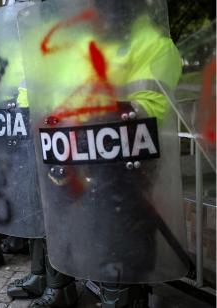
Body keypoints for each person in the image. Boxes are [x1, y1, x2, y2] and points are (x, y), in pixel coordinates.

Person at [18, 0, 188, 307]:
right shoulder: (88, 43)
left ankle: (121, 299)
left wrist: (103, 114)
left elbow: (152, 106)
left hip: (126, 163)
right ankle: (65, 287)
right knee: (73, 227)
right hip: (77, 155)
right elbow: (63, 96)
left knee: (121, 235)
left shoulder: (153, 44)